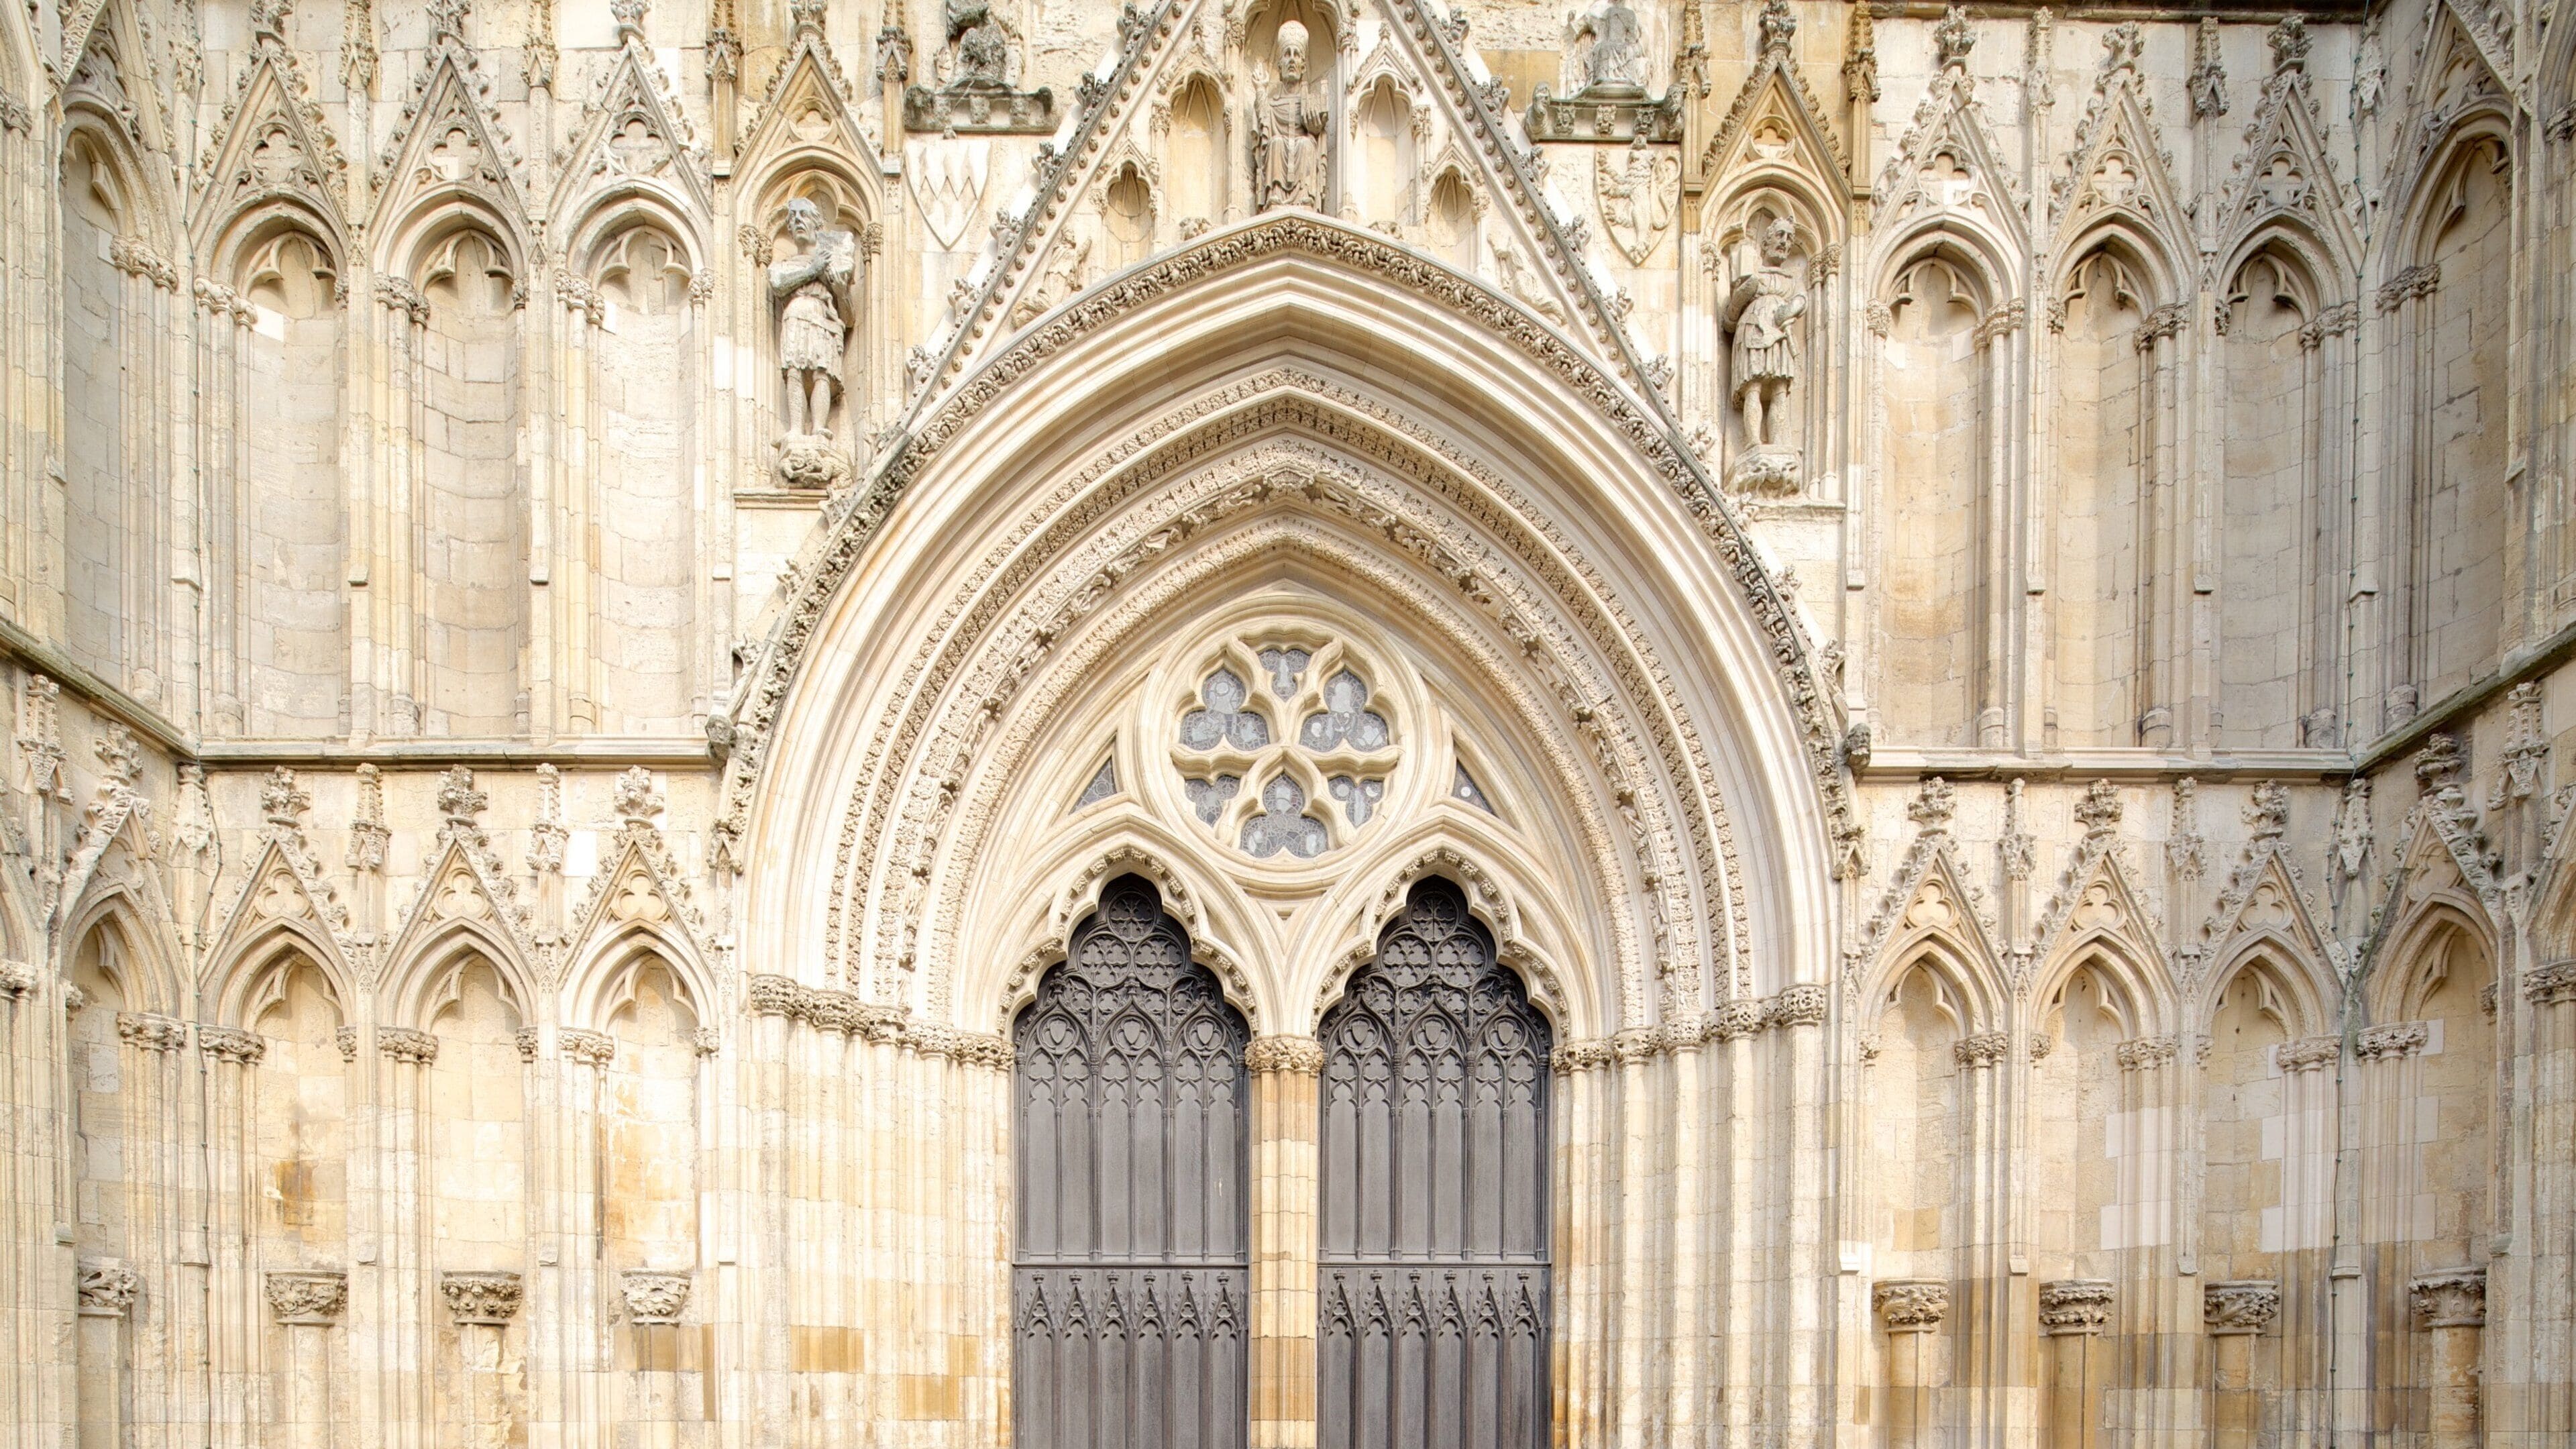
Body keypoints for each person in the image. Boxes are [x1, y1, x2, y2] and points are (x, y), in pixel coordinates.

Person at [768, 198, 855, 440]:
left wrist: (839, 290)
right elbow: (778, 284)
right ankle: (796, 428)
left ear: (817, 224)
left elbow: (848, 317)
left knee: (822, 373)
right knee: (794, 371)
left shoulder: (834, 258)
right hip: (795, 316)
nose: (797, 222)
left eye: (803, 216)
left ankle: (818, 427)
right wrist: (813, 270)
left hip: (822, 318)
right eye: (793, 218)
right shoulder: (783, 266)